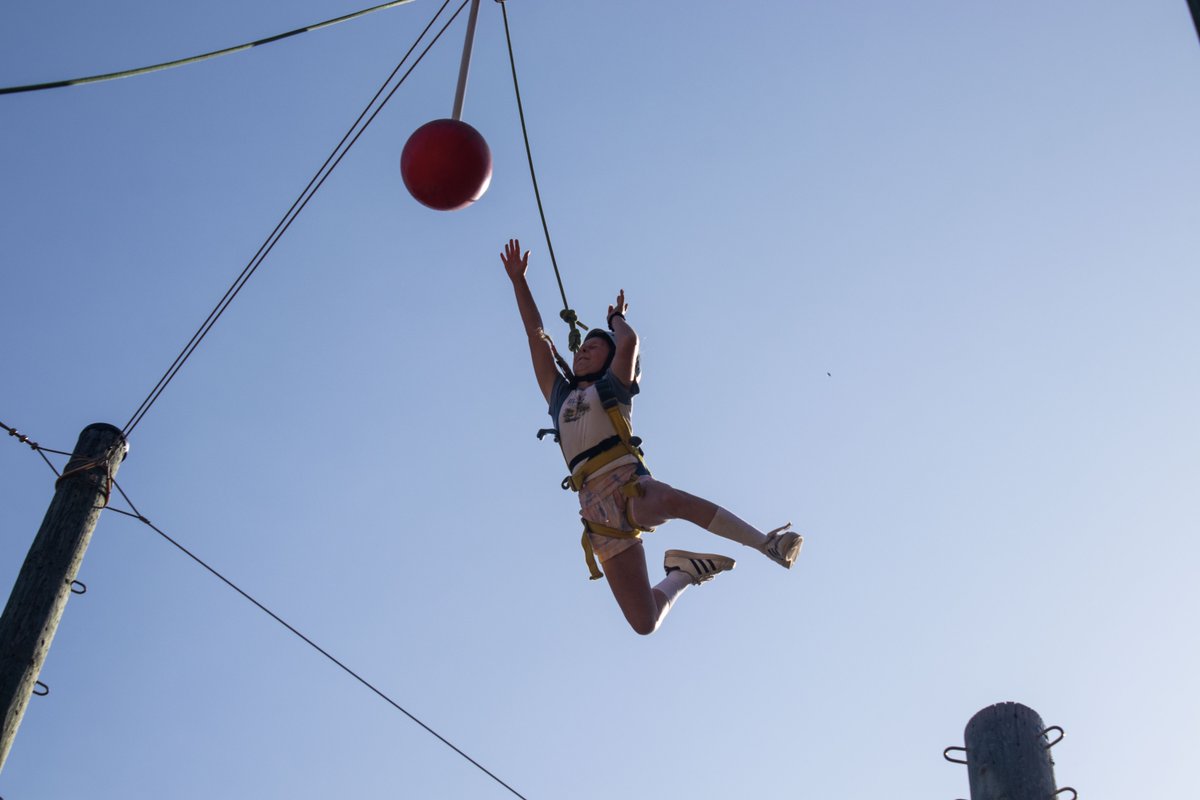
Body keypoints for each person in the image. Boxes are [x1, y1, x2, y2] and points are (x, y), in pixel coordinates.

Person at [501, 238, 802, 635]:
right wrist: (519, 280)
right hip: (594, 511)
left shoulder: (613, 388)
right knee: (644, 622)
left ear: (610, 361)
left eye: (594, 348)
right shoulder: (559, 395)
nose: (584, 352)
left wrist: (615, 321)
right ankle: (682, 572)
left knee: (671, 499)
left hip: (628, 486)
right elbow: (535, 334)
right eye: (582, 348)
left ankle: (766, 543)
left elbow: (628, 343)